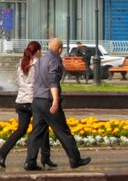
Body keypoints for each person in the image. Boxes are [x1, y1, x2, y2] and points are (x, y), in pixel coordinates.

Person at [24, 37, 92, 172]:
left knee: (36, 132)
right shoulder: (54, 60)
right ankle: (75, 159)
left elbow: (37, 80)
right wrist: (55, 99)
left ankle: (30, 161)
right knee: (63, 131)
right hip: (48, 101)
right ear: (59, 49)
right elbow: (53, 80)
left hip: (37, 100)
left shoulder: (40, 60)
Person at [0, 40, 53, 169]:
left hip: (21, 101)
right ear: (37, 51)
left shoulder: (22, 63)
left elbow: (18, 81)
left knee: (21, 130)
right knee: (40, 129)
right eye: (40, 51)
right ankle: (35, 160)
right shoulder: (38, 64)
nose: (41, 53)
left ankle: (2, 152)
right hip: (33, 101)